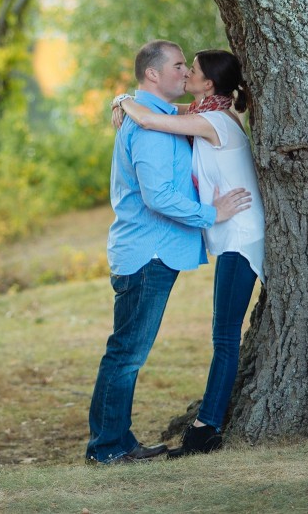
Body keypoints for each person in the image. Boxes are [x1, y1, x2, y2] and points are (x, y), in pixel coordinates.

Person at [85, 40, 252, 465]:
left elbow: (184, 118)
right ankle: (107, 448)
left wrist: (124, 98)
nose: (183, 72)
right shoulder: (149, 126)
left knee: (127, 352)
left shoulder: (171, 116)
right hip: (147, 253)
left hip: (157, 251)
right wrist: (210, 213)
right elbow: (158, 196)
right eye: (178, 66)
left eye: (188, 67)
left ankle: (117, 442)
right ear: (154, 75)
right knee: (126, 354)